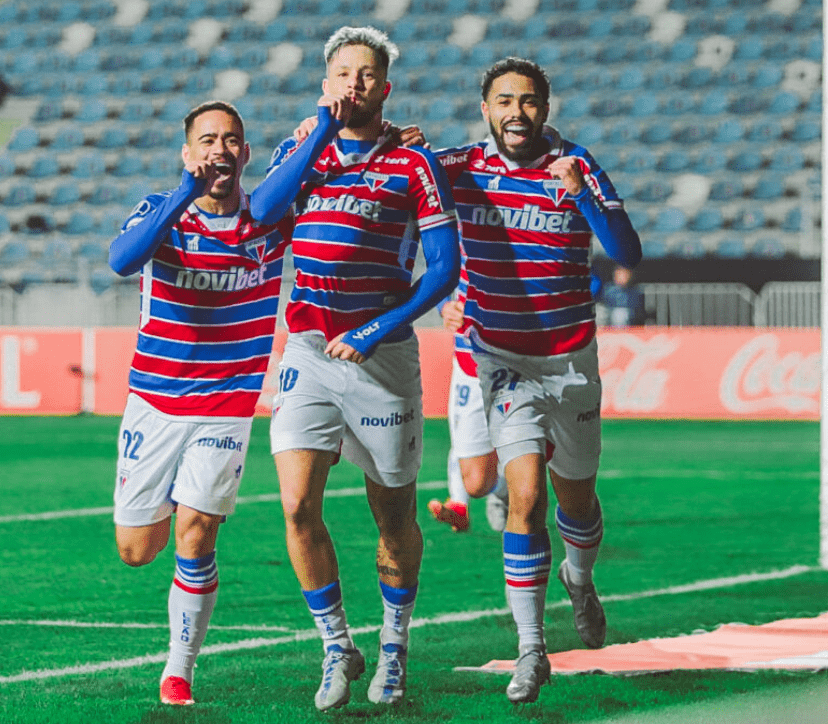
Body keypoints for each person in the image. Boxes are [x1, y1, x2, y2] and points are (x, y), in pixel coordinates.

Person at [107, 95, 350, 706]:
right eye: (207, 139)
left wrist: (372, 139)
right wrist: (182, 195)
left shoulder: (269, 219)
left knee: (197, 532)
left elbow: (330, 190)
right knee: (138, 551)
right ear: (188, 153)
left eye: (231, 139)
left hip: (226, 403)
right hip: (155, 403)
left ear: (245, 153)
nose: (220, 148)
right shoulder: (161, 212)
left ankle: (179, 669)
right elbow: (121, 261)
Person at [434, 57, 642, 703]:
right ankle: (532, 649)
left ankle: (580, 579)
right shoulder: (459, 167)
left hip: (570, 359)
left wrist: (581, 192)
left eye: (528, 101)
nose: (516, 112)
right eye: (503, 101)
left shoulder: (576, 164)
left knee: (574, 498)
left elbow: (628, 251)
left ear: (545, 108)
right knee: (521, 499)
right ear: (485, 109)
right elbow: (385, 183)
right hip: (502, 359)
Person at [268, 25, 461, 711]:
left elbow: (444, 271)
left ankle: (395, 648)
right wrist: (313, 137)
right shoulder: (301, 153)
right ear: (328, 84)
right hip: (309, 355)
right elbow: (262, 213)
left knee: (391, 512)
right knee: (296, 505)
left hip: (382, 359)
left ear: (384, 87)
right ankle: (333, 647)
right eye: (342, 73)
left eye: (365, 74)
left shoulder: (414, 164)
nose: (353, 83)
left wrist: (377, 328)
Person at [426, 283, 508, 534]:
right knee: (477, 482)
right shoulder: (460, 242)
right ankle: (499, 490)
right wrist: (444, 306)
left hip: (522, 354)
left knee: (529, 460)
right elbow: (440, 265)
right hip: (470, 361)